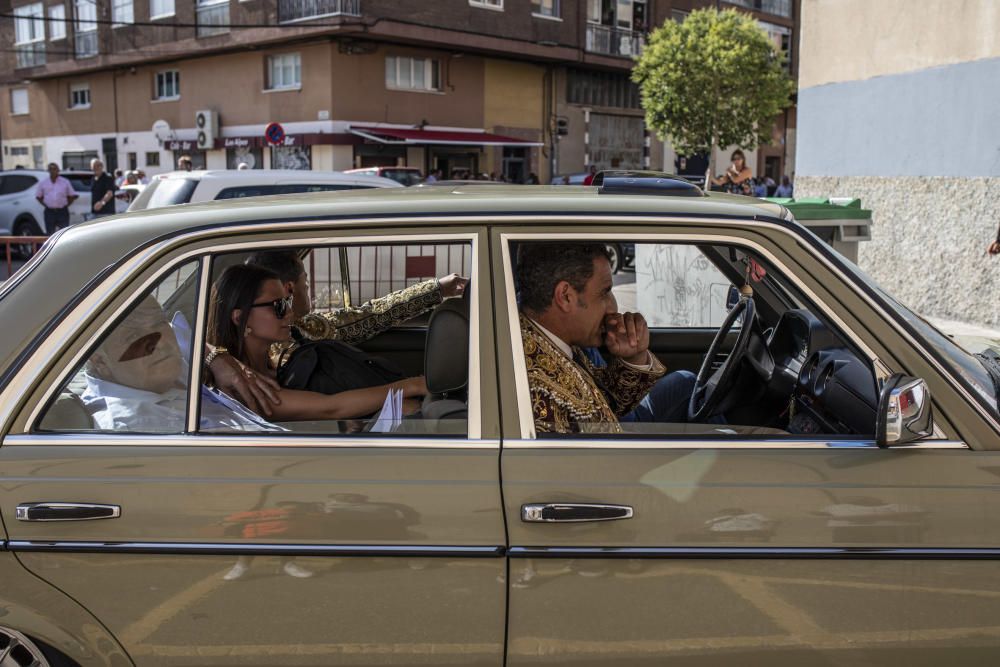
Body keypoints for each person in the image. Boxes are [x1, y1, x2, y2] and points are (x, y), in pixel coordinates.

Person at [207, 264, 428, 422]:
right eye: (278, 307)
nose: (290, 313)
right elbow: (331, 408)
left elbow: (363, 316)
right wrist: (413, 385)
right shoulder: (244, 387)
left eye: (288, 302)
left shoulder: (268, 368)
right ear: (239, 318)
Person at [516, 243, 672, 434]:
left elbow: (603, 404)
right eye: (604, 292)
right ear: (565, 297)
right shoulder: (538, 395)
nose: (613, 307)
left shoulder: (554, 339)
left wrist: (634, 357)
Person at [80, 295, 281, 432]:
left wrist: (217, 358)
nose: (158, 342)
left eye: (158, 323)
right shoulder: (135, 427)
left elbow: (178, 333)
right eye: (133, 336)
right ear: (99, 362)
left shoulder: (144, 372)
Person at [245, 249, 468, 348]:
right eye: (306, 280)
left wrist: (436, 288)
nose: (308, 287)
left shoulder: (305, 328)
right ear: (289, 289)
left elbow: (371, 315)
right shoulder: (242, 355)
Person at [35, 163, 78, 235]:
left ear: (58, 170)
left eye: (54, 169)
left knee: (64, 233)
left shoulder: (65, 182)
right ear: (48, 170)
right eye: (51, 169)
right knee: (50, 234)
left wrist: (66, 205)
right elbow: (38, 196)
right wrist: (46, 205)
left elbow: (72, 196)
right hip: (49, 212)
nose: (52, 171)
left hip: (62, 212)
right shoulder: (43, 183)